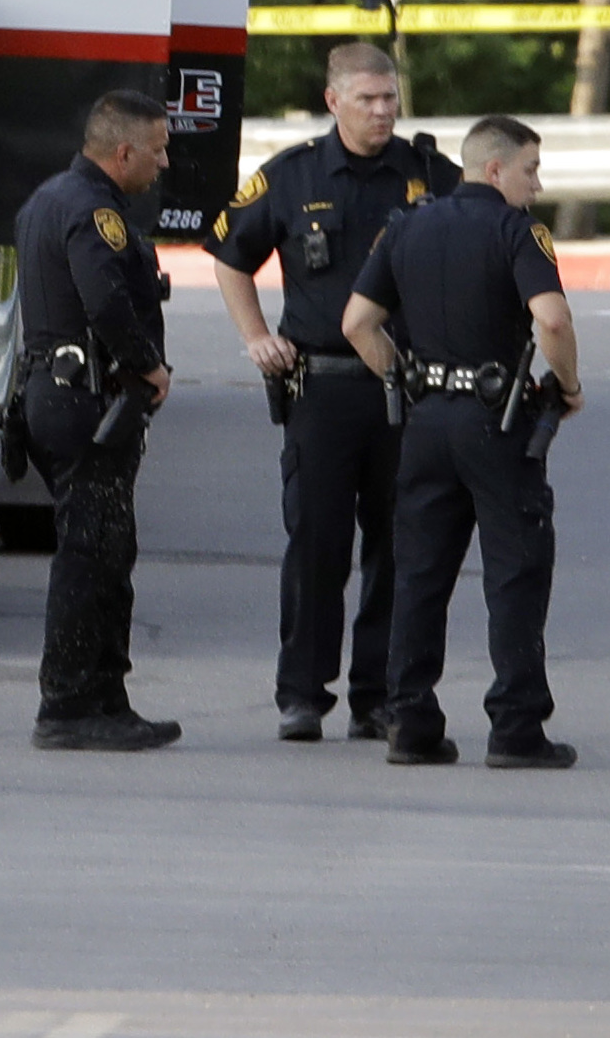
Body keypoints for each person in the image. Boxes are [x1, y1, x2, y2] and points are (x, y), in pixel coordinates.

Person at [206, 42, 460, 742]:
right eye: (367, 99)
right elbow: (230, 256)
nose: (382, 111)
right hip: (321, 387)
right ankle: (302, 693)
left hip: (408, 390)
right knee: (316, 545)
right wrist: (256, 335)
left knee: (400, 546)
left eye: (389, 97)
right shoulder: (292, 175)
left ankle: (378, 696)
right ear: (333, 101)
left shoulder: (431, 174)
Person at [340, 115, 580, 769]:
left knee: (418, 574)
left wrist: (401, 377)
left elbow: (357, 322)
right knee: (515, 572)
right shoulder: (517, 230)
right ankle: (516, 726)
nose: (537, 184)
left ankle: (409, 721)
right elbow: (552, 318)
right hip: (496, 421)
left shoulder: (406, 225)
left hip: (426, 420)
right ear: (495, 170)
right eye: (531, 169)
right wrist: (567, 383)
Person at [13, 90, 179, 751]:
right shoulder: (93, 210)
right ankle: (70, 704)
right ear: (124, 151)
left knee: (105, 551)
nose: (164, 163)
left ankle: (104, 699)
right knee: (90, 555)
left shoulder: (48, 197)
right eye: (158, 149)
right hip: (85, 400)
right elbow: (104, 301)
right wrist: (149, 365)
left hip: (56, 393)